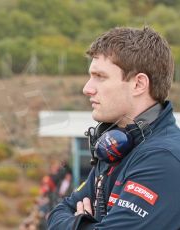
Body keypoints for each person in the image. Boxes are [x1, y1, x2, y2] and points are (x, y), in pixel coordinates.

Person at [47, 26, 180, 230]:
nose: (87, 88)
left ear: (138, 84)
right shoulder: (116, 145)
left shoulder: (163, 158)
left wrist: (78, 223)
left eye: (100, 76)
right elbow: (59, 211)